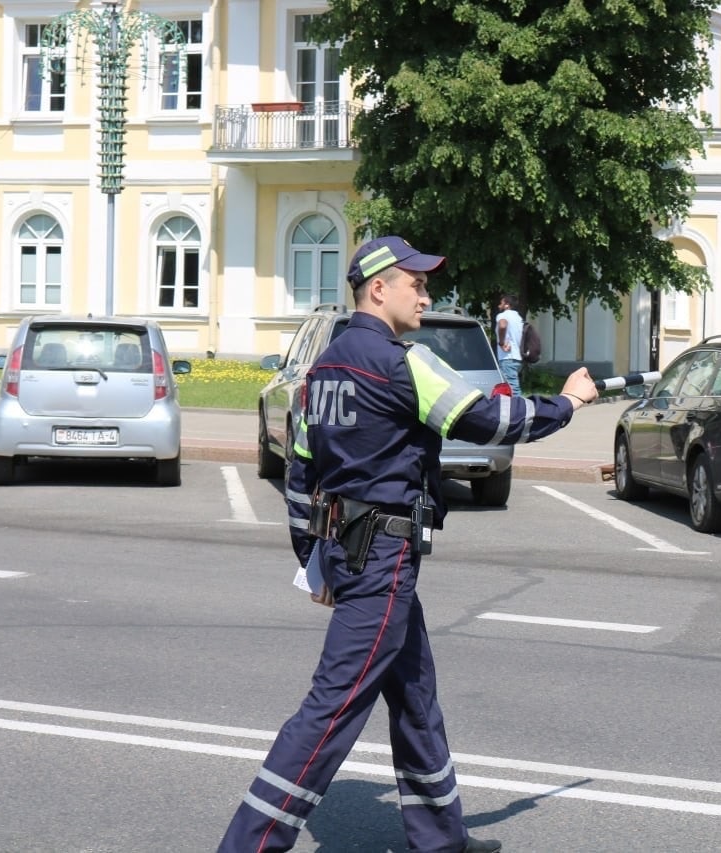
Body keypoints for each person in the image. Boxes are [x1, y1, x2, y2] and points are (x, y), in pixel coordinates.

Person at [218, 235, 599, 853]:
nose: (426, 292)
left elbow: (300, 474)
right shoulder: (405, 361)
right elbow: (492, 421)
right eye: (415, 283)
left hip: (349, 551)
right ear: (378, 289)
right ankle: (248, 845)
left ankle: (440, 837)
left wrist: (315, 561)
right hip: (384, 559)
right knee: (330, 710)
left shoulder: (324, 370)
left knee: (415, 694)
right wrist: (570, 403)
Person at [494, 293, 524, 396]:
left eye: (501, 303)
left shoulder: (503, 315)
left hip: (507, 358)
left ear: (507, 305)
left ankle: (520, 410)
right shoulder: (518, 317)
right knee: (510, 387)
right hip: (517, 358)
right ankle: (511, 409)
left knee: (513, 389)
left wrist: (501, 342)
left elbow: (502, 325)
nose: (499, 305)